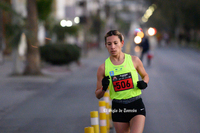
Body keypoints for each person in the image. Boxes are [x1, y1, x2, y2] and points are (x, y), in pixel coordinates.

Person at [95, 30, 149, 133]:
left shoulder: (134, 60)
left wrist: (144, 83)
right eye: (109, 44)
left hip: (136, 104)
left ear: (122, 43)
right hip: (118, 108)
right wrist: (103, 88)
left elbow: (145, 75)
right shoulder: (103, 68)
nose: (113, 47)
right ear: (106, 45)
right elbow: (98, 95)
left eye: (116, 43)